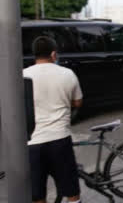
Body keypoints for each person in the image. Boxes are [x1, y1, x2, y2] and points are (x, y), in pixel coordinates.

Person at [24, 36, 83, 203]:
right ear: (54, 54)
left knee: (37, 193)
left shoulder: (23, 75)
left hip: (32, 142)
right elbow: (78, 102)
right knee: (71, 189)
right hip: (60, 139)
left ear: (34, 54)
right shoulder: (67, 74)